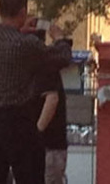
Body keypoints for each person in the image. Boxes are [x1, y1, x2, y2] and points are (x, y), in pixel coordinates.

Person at [0, 0, 73, 184]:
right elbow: (61, 58)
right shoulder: (26, 45)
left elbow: (7, 44)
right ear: (22, 13)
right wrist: (60, 39)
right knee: (29, 174)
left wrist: (19, 30)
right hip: (17, 116)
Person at [34, 30, 69, 184]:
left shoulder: (43, 64)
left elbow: (52, 99)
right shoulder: (44, 64)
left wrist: (36, 133)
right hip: (49, 148)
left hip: (48, 148)